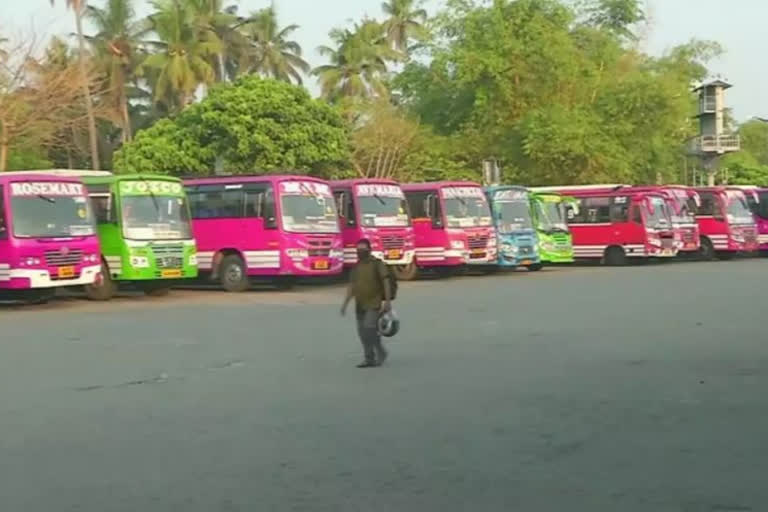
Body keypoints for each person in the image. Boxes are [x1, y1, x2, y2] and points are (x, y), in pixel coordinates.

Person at [340, 238, 392, 368]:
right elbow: (351, 286)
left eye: (363, 249)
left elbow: (386, 281)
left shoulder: (377, 264)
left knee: (369, 328)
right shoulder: (356, 267)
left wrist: (388, 301)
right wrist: (345, 303)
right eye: (358, 249)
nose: (360, 252)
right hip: (360, 304)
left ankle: (380, 351)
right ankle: (369, 358)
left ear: (369, 250)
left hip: (374, 303)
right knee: (362, 333)